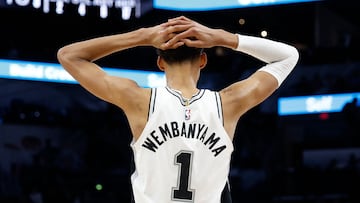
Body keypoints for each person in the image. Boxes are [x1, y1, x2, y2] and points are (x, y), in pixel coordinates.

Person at [57, 16, 299, 203]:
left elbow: (69, 55)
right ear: (203, 60)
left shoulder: (138, 100)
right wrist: (222, 37)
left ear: (160, 62)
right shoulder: (228, 103)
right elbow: (288, 56)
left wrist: (141, 36)